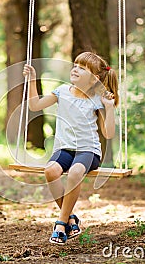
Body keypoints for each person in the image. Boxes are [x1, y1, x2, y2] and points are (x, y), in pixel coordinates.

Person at [22, 52, 119, 245]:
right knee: (50, 170)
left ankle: (60, 224)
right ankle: (71, 218)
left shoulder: (98, 99)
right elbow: (34, 105)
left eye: (82, 68)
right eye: (75, 64)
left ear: (95, 78)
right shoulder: (62, 91)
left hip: (88, 151)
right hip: (64, 148)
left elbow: (107, 134)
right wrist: (32, 80)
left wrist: (109, 107)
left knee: (75, 172)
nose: (75, 69)